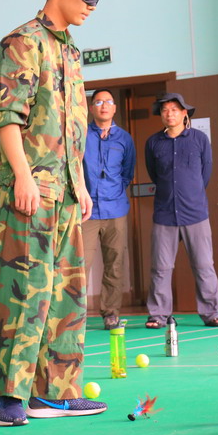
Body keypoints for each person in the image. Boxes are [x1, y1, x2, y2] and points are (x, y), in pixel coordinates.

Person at [0, 0, 110, 426]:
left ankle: (54, 393)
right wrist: (21, 176)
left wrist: (80, 184)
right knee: (25, 291)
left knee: (67, 295)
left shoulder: (71, 51)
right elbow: (6, 117)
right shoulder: (22, 43)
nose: (93, 5)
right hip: (31, 191)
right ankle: (12, 399)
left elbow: (72, 127)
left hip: (65, 193)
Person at [144, 92, 218, 329]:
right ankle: (158, 315)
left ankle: (212, 313)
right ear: (161, 115)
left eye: (174, 109)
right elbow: (154, 174)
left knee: (204, 265)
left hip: (195, 213)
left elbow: (205, 175)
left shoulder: (199, 139)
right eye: (165, 110)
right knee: (160, 268)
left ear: (184, 113)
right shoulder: (153, 143)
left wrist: (191, 194)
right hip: (164, 213)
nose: (169, 113)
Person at [82, 88, 136, 330]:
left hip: (116, 209)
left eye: (108, 102)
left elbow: (127, 173)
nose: (104, 106)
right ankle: (73, 315)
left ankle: (110, 313)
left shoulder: (125, 139)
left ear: (114, 108)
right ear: (91, 107)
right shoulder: (81, 135)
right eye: (98, 102)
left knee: (115, 263)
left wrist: (113, 192)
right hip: (86, 211)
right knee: (79, 264)